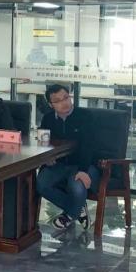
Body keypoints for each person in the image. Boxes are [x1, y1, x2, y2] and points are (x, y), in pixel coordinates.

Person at [35, 83, 98, 230]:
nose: (64, 103)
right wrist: (47, 158)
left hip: (84, 164)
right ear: (50, 104)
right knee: (40, 185)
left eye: (66, 98)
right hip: (58, 164)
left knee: (77, 187)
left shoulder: (85, 116)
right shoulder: (48, 119)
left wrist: (83, 170)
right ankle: (78, 208)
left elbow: (88, 146)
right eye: (57, 101)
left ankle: (70, 214)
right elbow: (43, 143)